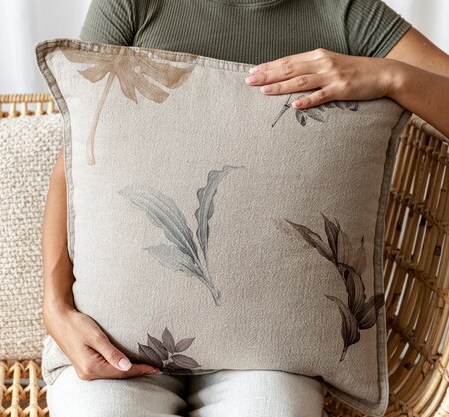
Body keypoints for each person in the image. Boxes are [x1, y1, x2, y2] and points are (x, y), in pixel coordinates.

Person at [41, 0, 449, 416]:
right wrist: (56, 309)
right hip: (116, 341)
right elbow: (74, 160)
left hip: (270, 352)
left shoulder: (345, 13)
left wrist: (391, 76)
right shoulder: (132, 5)